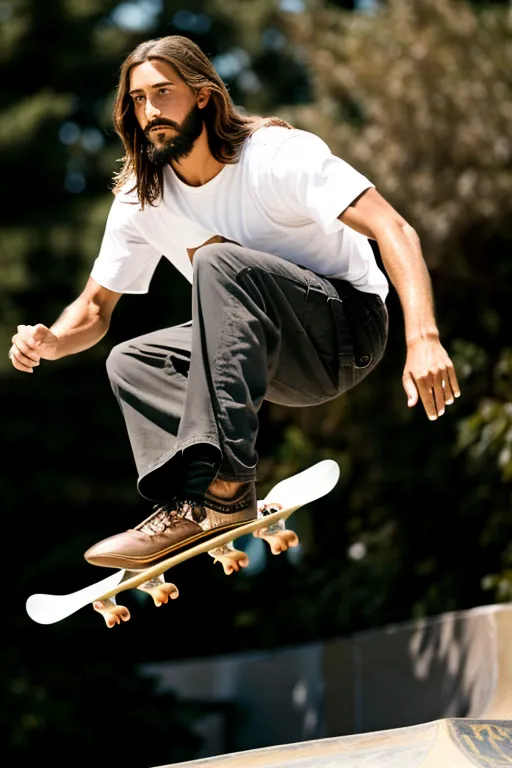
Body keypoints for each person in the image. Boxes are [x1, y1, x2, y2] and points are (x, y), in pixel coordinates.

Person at [9, 35, 460, 573]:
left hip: (347, 330)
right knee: (133, 360)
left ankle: (225, 490)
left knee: (218, 264)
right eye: (138, 100)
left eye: (163, 93)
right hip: (271, 362)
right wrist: (54, 340)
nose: (151, 111)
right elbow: (94, 308)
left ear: (203, 96)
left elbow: (393, 228)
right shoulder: (141, 195)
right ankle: (188, 504)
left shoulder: (276, 157)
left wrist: (423, 338)